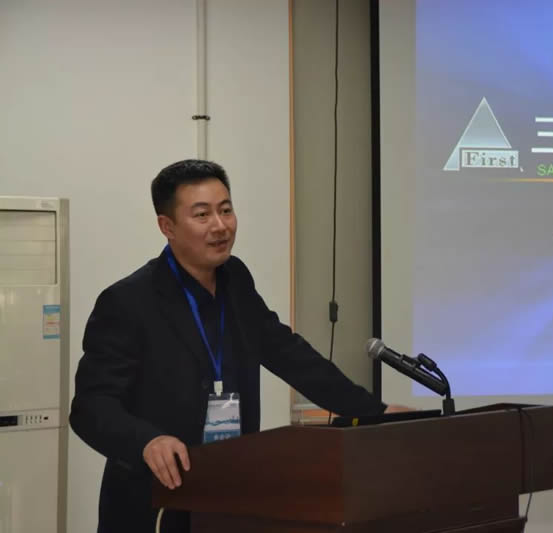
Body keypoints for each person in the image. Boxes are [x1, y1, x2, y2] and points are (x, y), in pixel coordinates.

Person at [70, 159, 387, 533]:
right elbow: (91, 407)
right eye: (202, 215)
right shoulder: (128, 301)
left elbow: (291, 355)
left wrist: (376, 413)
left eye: (226, 210)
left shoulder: (236, 279)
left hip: (229, 496)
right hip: (154, 503)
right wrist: (147, 441)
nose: (220, 226)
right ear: (167, 226)